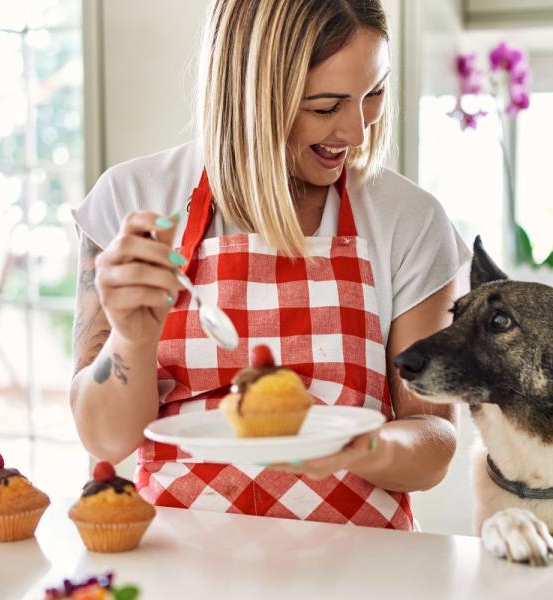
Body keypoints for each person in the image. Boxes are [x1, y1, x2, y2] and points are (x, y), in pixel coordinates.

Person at [70, 0, 469, 530]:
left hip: (358, 566)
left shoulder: (409, 220)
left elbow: (435, 444)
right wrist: (131, 340)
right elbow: (105, 439)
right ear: (250, 98)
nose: (355, 133)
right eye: (326, 107)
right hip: (180, 563)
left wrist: (359, 447)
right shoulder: (135, 198)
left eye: (372, 94)